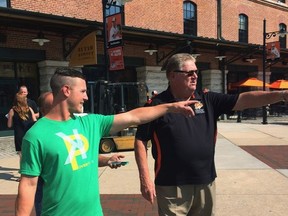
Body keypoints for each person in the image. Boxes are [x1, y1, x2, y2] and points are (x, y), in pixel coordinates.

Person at [15, 67, 195, 216]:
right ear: (66, 91)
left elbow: (133, 116)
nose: (86, 97)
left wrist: (169, 107)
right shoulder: (35, 136)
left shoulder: (90, 122)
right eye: (83, 91)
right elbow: (28, 186)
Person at [134, 53, 288, 216]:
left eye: (196, 72)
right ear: (172, 75)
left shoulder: (207, 99)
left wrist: (282, 95)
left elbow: (244, 100)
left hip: (205, 182)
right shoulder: (156, 106)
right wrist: (145, 178)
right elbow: (140, 141)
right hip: (172, 185)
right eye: (189, 73)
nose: (194, 76)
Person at [33, 91, 128, 216]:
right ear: (44, 111)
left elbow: (81, 156)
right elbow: (28, 183)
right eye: (54, 106)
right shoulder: (37, 134)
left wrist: (108, 160)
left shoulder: (75, 127)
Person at [7, 93, 37, 175]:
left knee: (22, 156)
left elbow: (9, 125)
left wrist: (11, 118)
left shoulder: (12, 111)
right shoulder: (30, 109)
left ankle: (23, 174)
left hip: (19, 135)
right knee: (31, 154)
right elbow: (34, 121)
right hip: (30, 134)